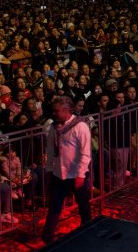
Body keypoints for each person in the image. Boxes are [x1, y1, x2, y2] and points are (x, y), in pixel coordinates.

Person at [41, 96, 92, 245]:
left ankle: (87, 232)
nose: (54, 113)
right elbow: (50, 150)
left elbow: (85, 153)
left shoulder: (80, 126)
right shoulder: (53, 127)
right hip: (59, 174)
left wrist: (81, 175)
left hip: (76, 174)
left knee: (83, 206)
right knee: (54, 206)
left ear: (67, 110)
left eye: (56, 111)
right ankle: (47, 237)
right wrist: (49, 170)